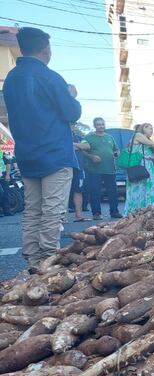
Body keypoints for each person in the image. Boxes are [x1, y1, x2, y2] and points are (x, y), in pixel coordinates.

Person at [2, 28, 81, 267]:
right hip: (55, 153)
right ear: (46, 49)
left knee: (33, 210)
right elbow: (72, 112)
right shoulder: (50, 77)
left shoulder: (11, 79)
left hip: (27, 155)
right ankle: (48, 260)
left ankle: (33, 262)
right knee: (52, 210)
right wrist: (71, 96)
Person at [82, 117, 121, 220]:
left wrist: (116, 153)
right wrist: (92, 157)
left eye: (102, 124)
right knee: (95, 192)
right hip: (94, 170)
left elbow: (116, 149)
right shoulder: (89, 137)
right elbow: (82, 150)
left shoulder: (110, 137)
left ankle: (114, 212)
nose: (101, 126)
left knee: (113, 192)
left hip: (110, 169)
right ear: (94, 126)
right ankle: (96, 213)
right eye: (98, 124)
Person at [124, 123, 154, 215]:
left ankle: (149, 210)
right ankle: (135, 212)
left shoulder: (148, 140)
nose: (152, 131)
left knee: (149, 189)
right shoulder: (138, 135)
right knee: (138, 189)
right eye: (150, 128)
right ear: (144, 128)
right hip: (140, 166)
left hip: (149, 167)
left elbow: (153, 154)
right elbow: (150, 144)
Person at [70, 124, 90, 221]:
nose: (72, 125)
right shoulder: (59, 136)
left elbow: (87, 146)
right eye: (70, 123)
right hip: (64, 168)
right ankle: (62, 218)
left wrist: (73, 144)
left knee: (78, 191)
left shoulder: (79, 137)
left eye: (73, 124)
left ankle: (78, 215)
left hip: (79, 168)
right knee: (62, 193)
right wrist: (78, 146)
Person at [0, 151, 12, 216]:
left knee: (6, 193)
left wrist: (7, 174)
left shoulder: (3, 153)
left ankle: (7, 211)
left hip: (3, 175)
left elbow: (8, 164)